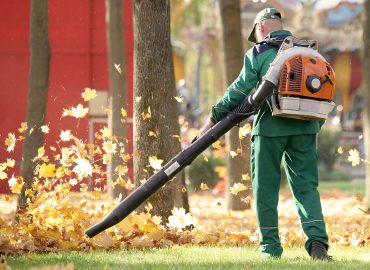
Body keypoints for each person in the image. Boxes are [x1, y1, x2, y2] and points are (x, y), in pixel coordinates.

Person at [198, 8, 332, 260]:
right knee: (307, 188)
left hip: (270, 128)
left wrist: (212, 120)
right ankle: (317, 244)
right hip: (306, 128)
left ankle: (270, 248)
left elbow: (239, 91)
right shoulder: (310, 53)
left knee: (265, 189)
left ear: (260, 28)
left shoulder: (259, 52)